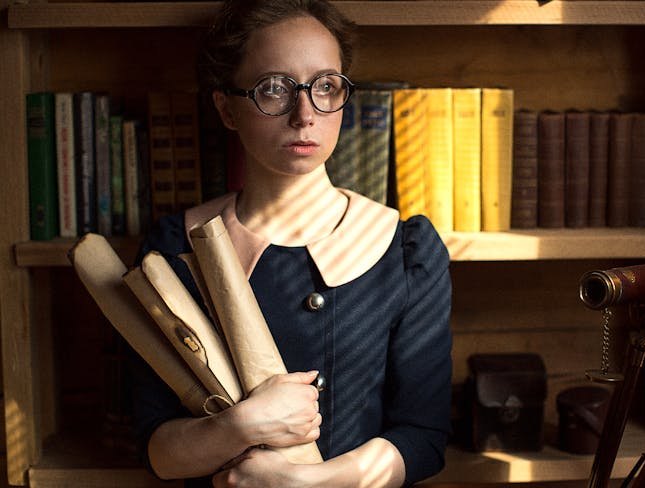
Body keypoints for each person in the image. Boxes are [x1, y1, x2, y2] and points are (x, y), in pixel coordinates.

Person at [130, 0, 453, 486]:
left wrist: (306, 483)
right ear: (227, 107)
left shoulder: (404, 249)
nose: (305, 115)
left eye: (325, 86)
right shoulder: (177, 248)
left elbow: (424, 437)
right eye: (274, 89)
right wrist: (239, 425)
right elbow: (155, 449)